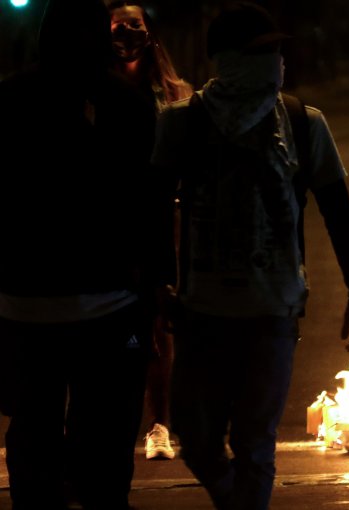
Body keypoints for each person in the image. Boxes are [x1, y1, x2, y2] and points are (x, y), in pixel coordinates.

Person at [151, 3, 349, 508]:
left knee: (255, 443)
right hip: (200, 310)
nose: (275, 61)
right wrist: (158, 283)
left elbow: (340, 214)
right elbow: (154, 207)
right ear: (226, 60)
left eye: (277, 50)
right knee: (194, 435)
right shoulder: (181, 123)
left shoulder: (302, 122)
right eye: (261, 52)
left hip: (273, 310)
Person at [0, 0, 162, 508]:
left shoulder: (7, 98)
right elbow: (149, 206)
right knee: (106, 440)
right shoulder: (128, 103)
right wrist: (155, 291)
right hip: (111, 305)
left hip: (24, 305)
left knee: (32, 434)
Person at [108, 0, 193, 462]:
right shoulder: (96, 92)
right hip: (111, 224)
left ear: (149, 32)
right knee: (119, 329)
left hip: (167, 220)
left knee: (161, 326)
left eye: (133, 25)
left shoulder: (174, 93)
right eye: (117, 26)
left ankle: (160, 424)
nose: (125, 33)